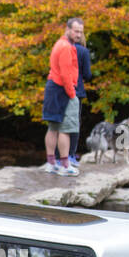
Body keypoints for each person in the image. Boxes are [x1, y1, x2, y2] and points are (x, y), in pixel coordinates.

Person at [42, 18, 84, 177]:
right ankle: (65, 165)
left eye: (81, 31)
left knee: (53, 127)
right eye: (76, 31)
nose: (79, 34)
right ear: (68, 29)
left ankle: (51, 163)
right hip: (63, 90)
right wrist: (72, 95)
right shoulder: (66, 47)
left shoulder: (59, 43)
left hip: (52, 87)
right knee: (65, 129)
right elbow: (66, 74)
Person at [55, 30, 93, 174]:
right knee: (73, 124)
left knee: (60, 123)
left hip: (59, 90)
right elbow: (88, 74)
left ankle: (58, 157)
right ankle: (70, 155)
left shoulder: (60, 48)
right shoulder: (83, 51)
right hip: (76, 90)